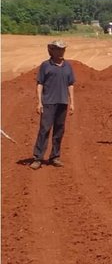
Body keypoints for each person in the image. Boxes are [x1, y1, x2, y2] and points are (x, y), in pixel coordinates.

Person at [30, 40, 75, 170]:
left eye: (63, 49)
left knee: (59, 130)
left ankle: (55, 156)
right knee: (44, 130)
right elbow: (40, 84)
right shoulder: (45, 65)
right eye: (58, 49)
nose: (61, 52)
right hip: (48, 102)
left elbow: (70, 84)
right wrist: (39, 102)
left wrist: (72, 102)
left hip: (63, 102)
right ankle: (38, 158)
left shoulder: (68, 66)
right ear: (52, 51)